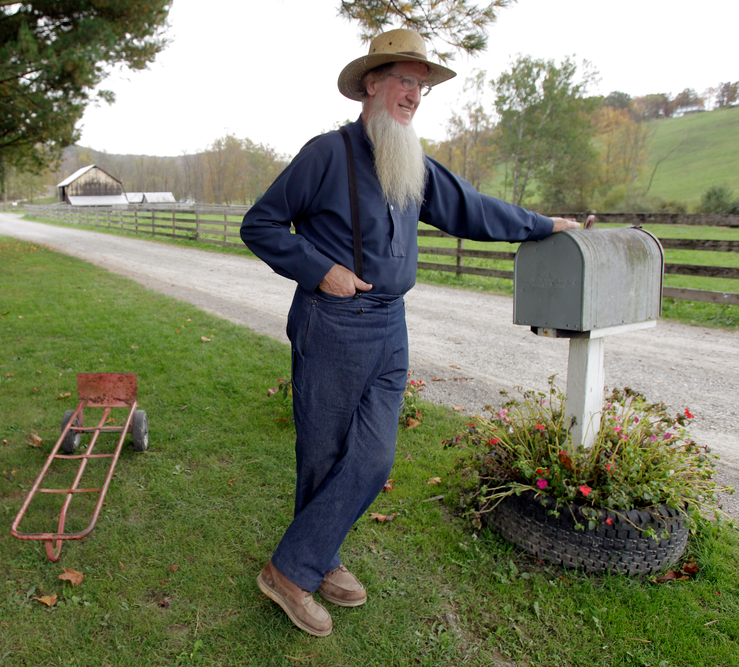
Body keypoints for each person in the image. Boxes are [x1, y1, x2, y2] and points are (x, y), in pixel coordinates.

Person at [240, 28, 582, 637]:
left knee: (373, 457)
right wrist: (322, 272)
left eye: (421, 86)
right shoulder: (327, 153)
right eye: (405, 80)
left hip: (391, 325)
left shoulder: (409, 162)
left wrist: (540, 225)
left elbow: (471, 208)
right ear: (371, 83)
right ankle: (308, 568)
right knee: (324, 455)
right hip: (334, 321)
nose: (415, 95)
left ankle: (297, 564)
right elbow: (260, 224)